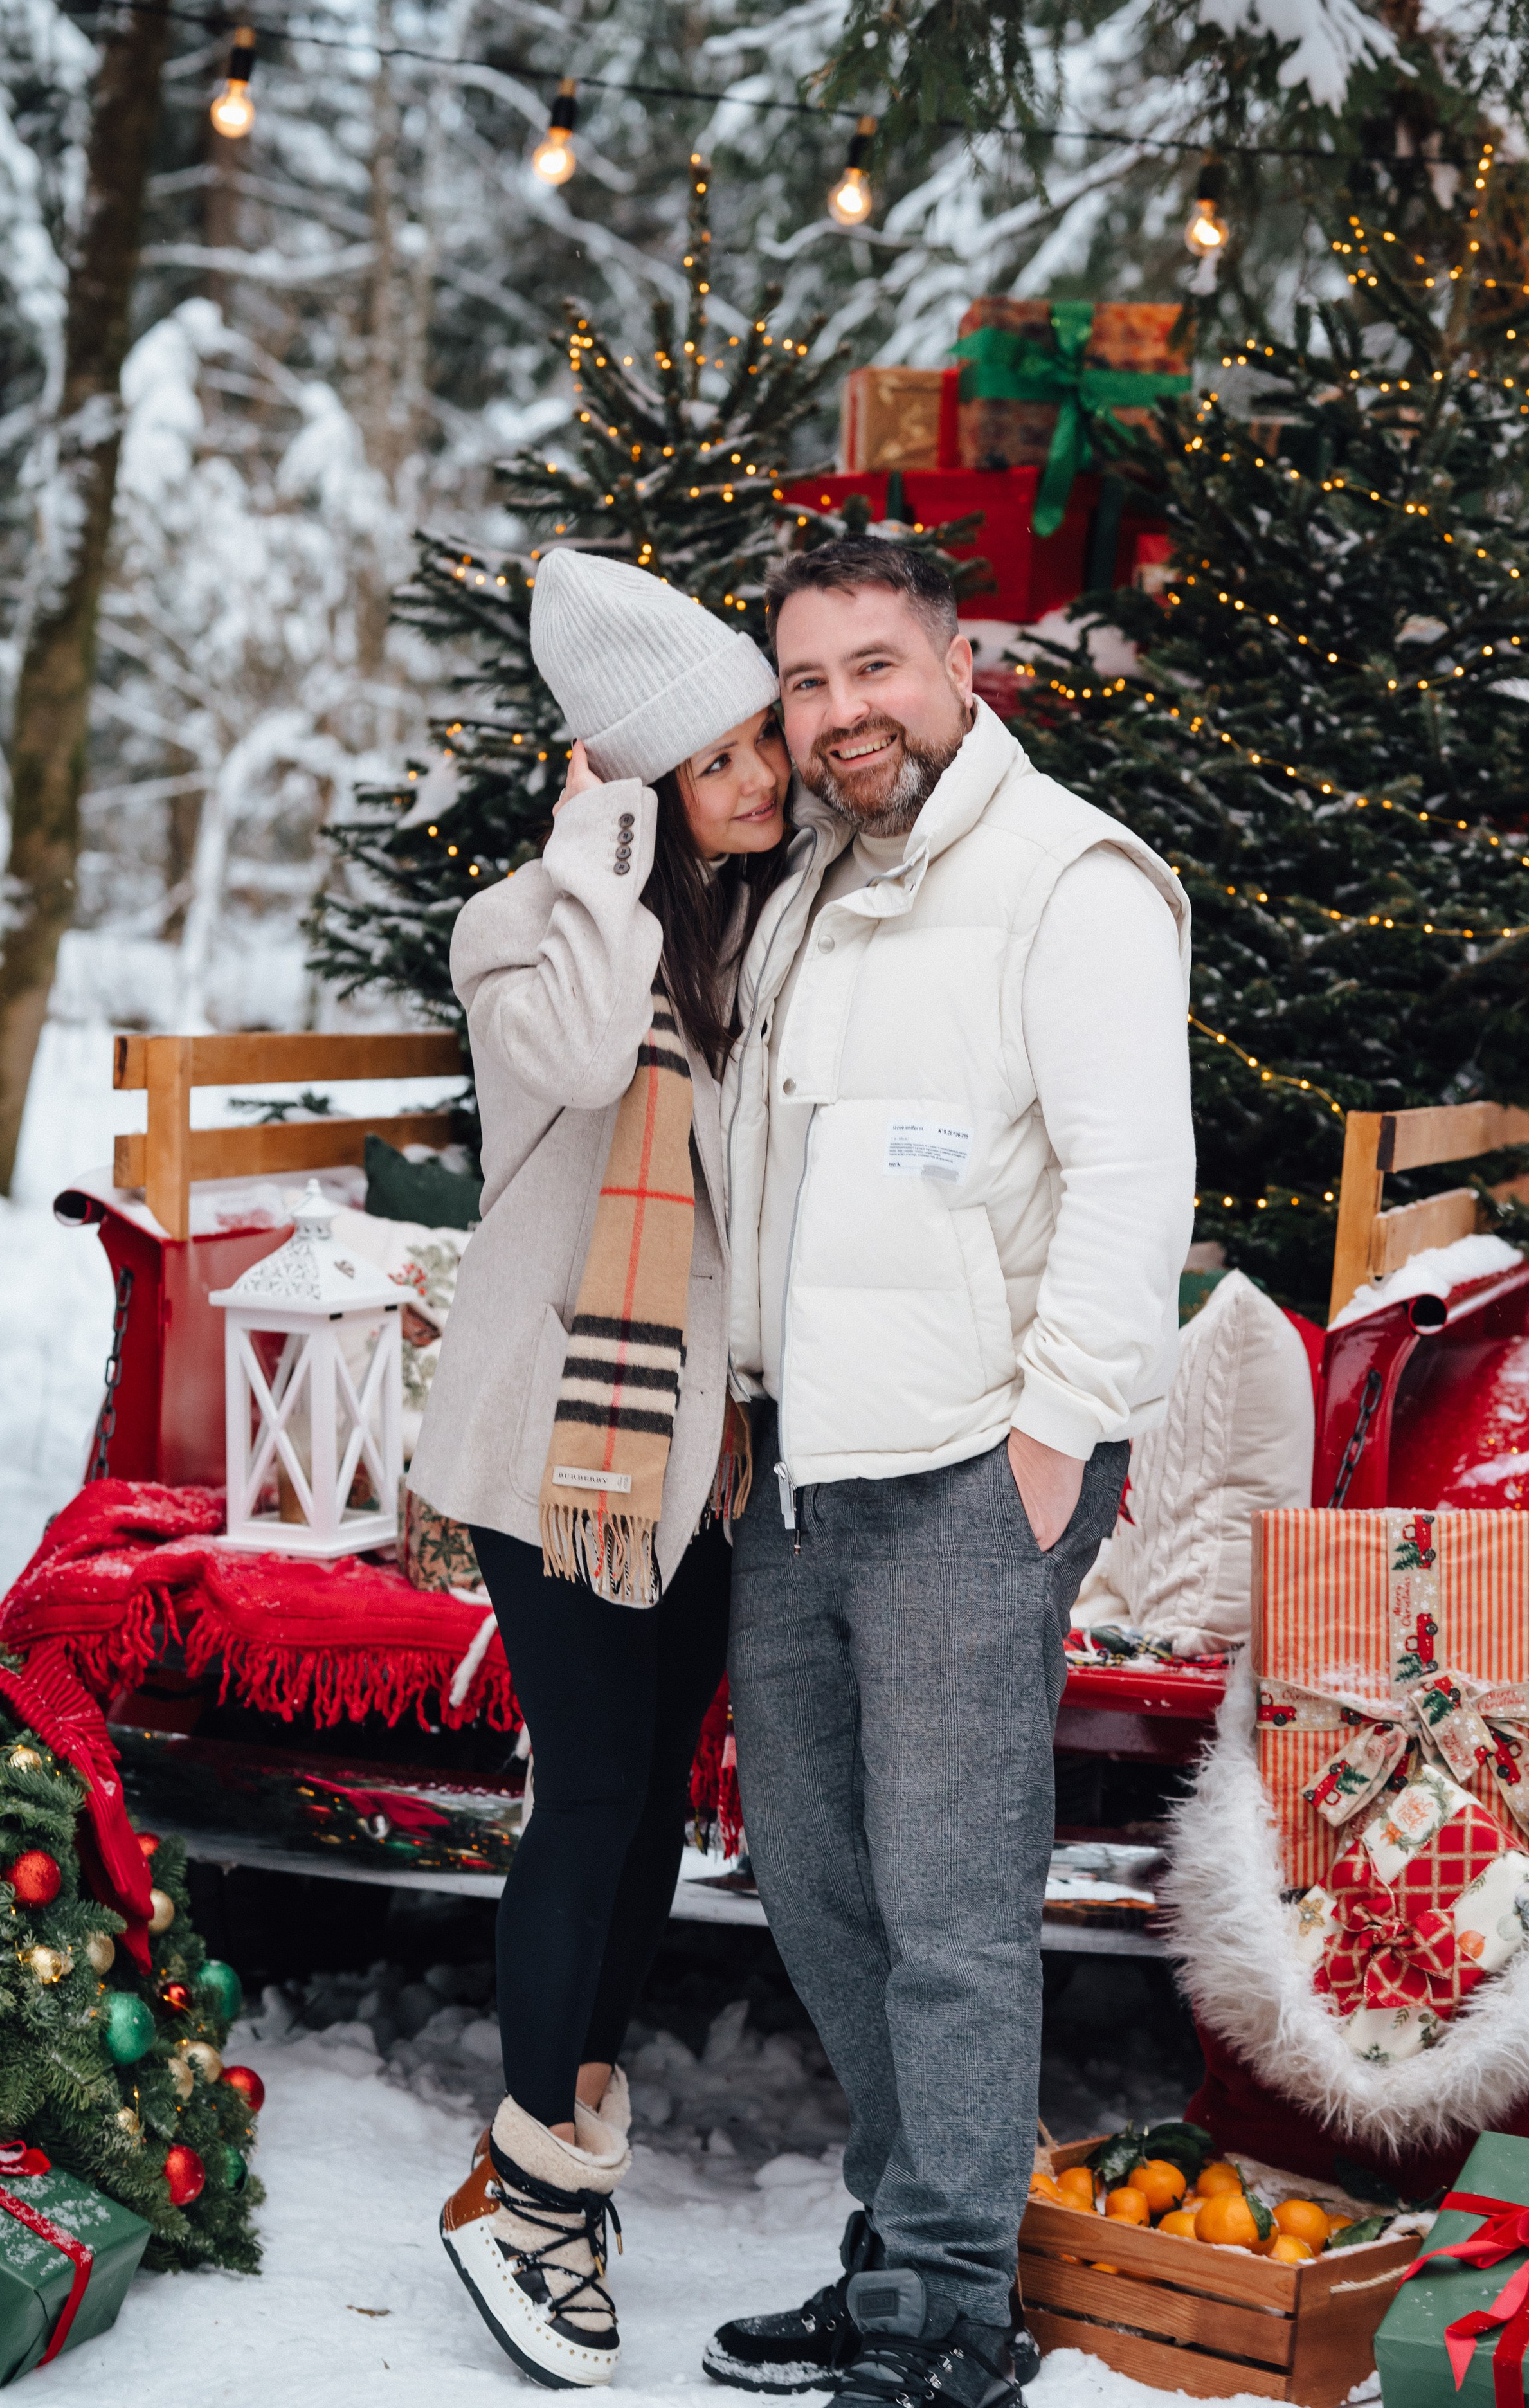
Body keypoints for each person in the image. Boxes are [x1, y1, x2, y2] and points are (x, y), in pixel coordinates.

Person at [703, 538, 1195, 2408]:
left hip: (969, 1476)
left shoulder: (1068, 880)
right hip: (805, 1473)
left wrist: (1051, 1439)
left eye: (875, 666)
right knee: (822, 1887)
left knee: (953, 1909)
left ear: (960, 656)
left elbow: (1136, 1185)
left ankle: (949, 2303)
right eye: (808, 680)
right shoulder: (817, 884)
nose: (842, 712)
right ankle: (901, 2237)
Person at [410, 548, 792, 2390]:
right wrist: (595, 861)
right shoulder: (532, 924)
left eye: (760, 746)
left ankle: (564, 2138)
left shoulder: (750, 934)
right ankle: (525, 2184)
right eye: (720, 758)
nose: (764, 778)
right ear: (640, 773)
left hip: (688, 1447)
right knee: (594, 1793)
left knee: (649, 1810)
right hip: (556, 1438)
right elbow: (565, 1045)